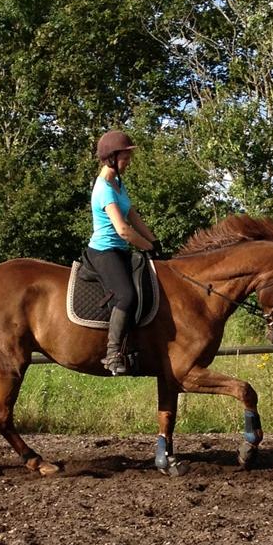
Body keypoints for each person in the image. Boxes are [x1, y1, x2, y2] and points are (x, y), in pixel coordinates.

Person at [88, 129, 160, 375]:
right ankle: (112, 354)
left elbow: (132, 215)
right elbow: (123, 230)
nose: (128, 162)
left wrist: (154, 240)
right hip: (104, 251)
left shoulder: (117, 183)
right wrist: (147, 246)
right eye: (125, 157)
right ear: (111, 158)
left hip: (120, 250)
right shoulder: (104, 190)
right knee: (126, 296)